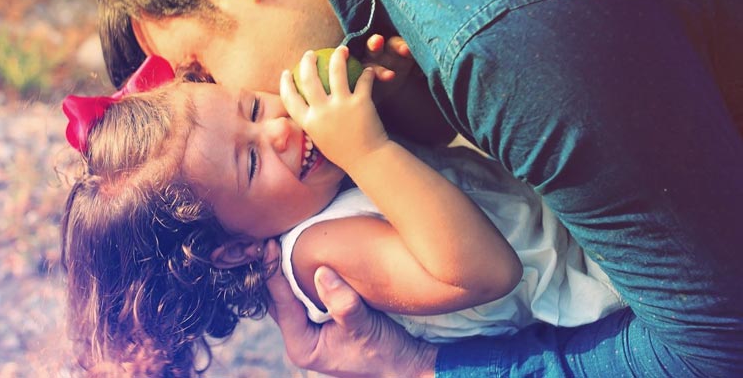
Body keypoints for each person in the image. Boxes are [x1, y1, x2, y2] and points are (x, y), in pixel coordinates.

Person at [95, 0, 743, 375]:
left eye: (200, 71)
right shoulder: (321, 243)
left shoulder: (494, 36)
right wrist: (410, 102)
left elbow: (715, 345)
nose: (268, 117)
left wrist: (414, 368)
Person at [60, 49, 623, 375]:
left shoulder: (323, 183)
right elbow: (487, 272)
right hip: (599, 287)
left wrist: (389, 93)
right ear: (231, 248)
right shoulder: (320, 251)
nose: (279, 129)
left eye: (252, 108)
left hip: (585, 220)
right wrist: (368, 148)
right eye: (251, 162)